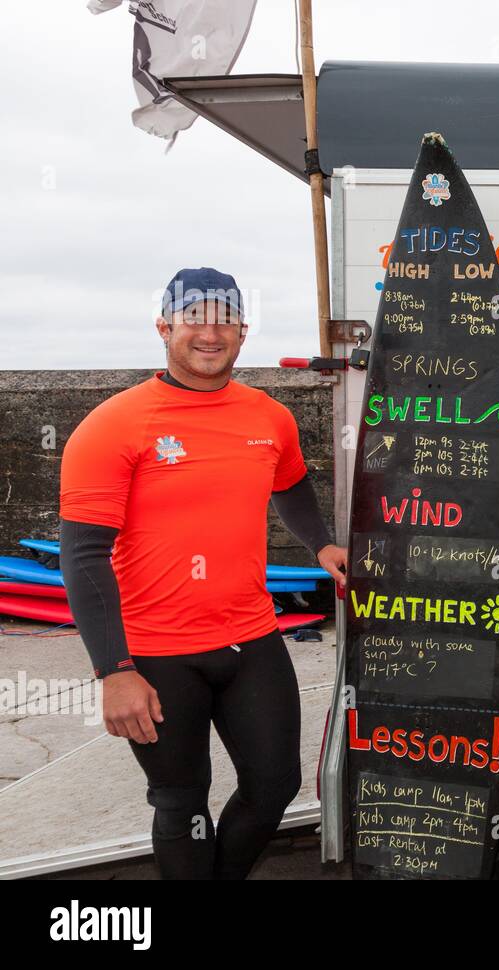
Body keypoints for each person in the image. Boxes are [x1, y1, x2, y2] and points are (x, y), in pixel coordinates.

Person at [58, 267, 347, 879]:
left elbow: (291, 486)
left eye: (225, 320)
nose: (210, 333)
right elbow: (83, 558)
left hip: (251, 639)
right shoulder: (113, 424)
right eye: (195, 318)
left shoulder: (269, 417)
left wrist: (321, 545)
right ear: (165, 326)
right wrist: (114, 671)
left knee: (274, 787)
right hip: (157, 654)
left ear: (243, 332)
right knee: (182, 802)